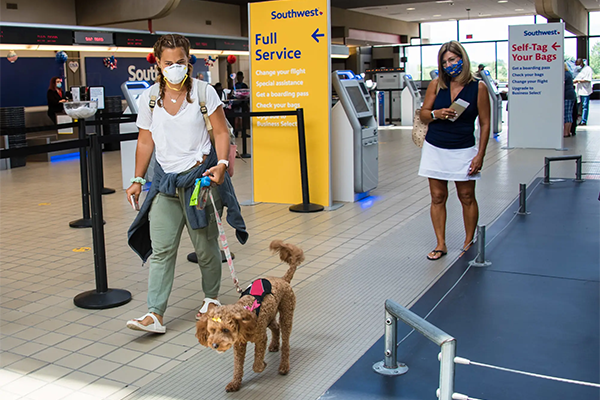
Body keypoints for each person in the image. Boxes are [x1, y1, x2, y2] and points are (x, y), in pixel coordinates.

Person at [125, 34, 248, 334]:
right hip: (165, 184)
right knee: (162, 248)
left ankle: (211, 299)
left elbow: (220, 133)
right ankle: (154, 314)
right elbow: (145, 141)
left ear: (188, 61)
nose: (175, 67)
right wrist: (138, 179)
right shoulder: (150, 98)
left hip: (200, 183)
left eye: (180, 62)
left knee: (205, 248)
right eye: (168, 62)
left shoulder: (204, 93)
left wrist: (220, 164)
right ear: (158, 63)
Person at [419, 41, 491, 260]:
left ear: (462, 59)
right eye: (444, 62)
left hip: (463, 148)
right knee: (438, 196)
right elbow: (422, 114)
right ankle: (441, 244)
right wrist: (435, 114)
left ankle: (469, 243)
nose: (449, 65)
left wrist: (480, 154)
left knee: (467, 196)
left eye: (452, 59)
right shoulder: (436, 85)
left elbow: (485, 123)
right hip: (435, 147)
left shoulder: (478, 88)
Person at [573, 59, 593, 126]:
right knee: (577, 106)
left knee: (585, 106)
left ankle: (584, 121)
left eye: (578, 65)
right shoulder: (576, 70)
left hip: (585, 90)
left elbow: (588, 80)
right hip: (578, 90)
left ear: (581, 63)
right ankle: (576, 120)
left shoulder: (588, 69)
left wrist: (578, 81)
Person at [563, 63, 577, 137]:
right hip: (571, 95)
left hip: (567, 95)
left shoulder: (564, 74)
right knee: (569, 114)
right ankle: (568, 131)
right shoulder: (569, 74)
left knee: (566, 115)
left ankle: (565, 132)